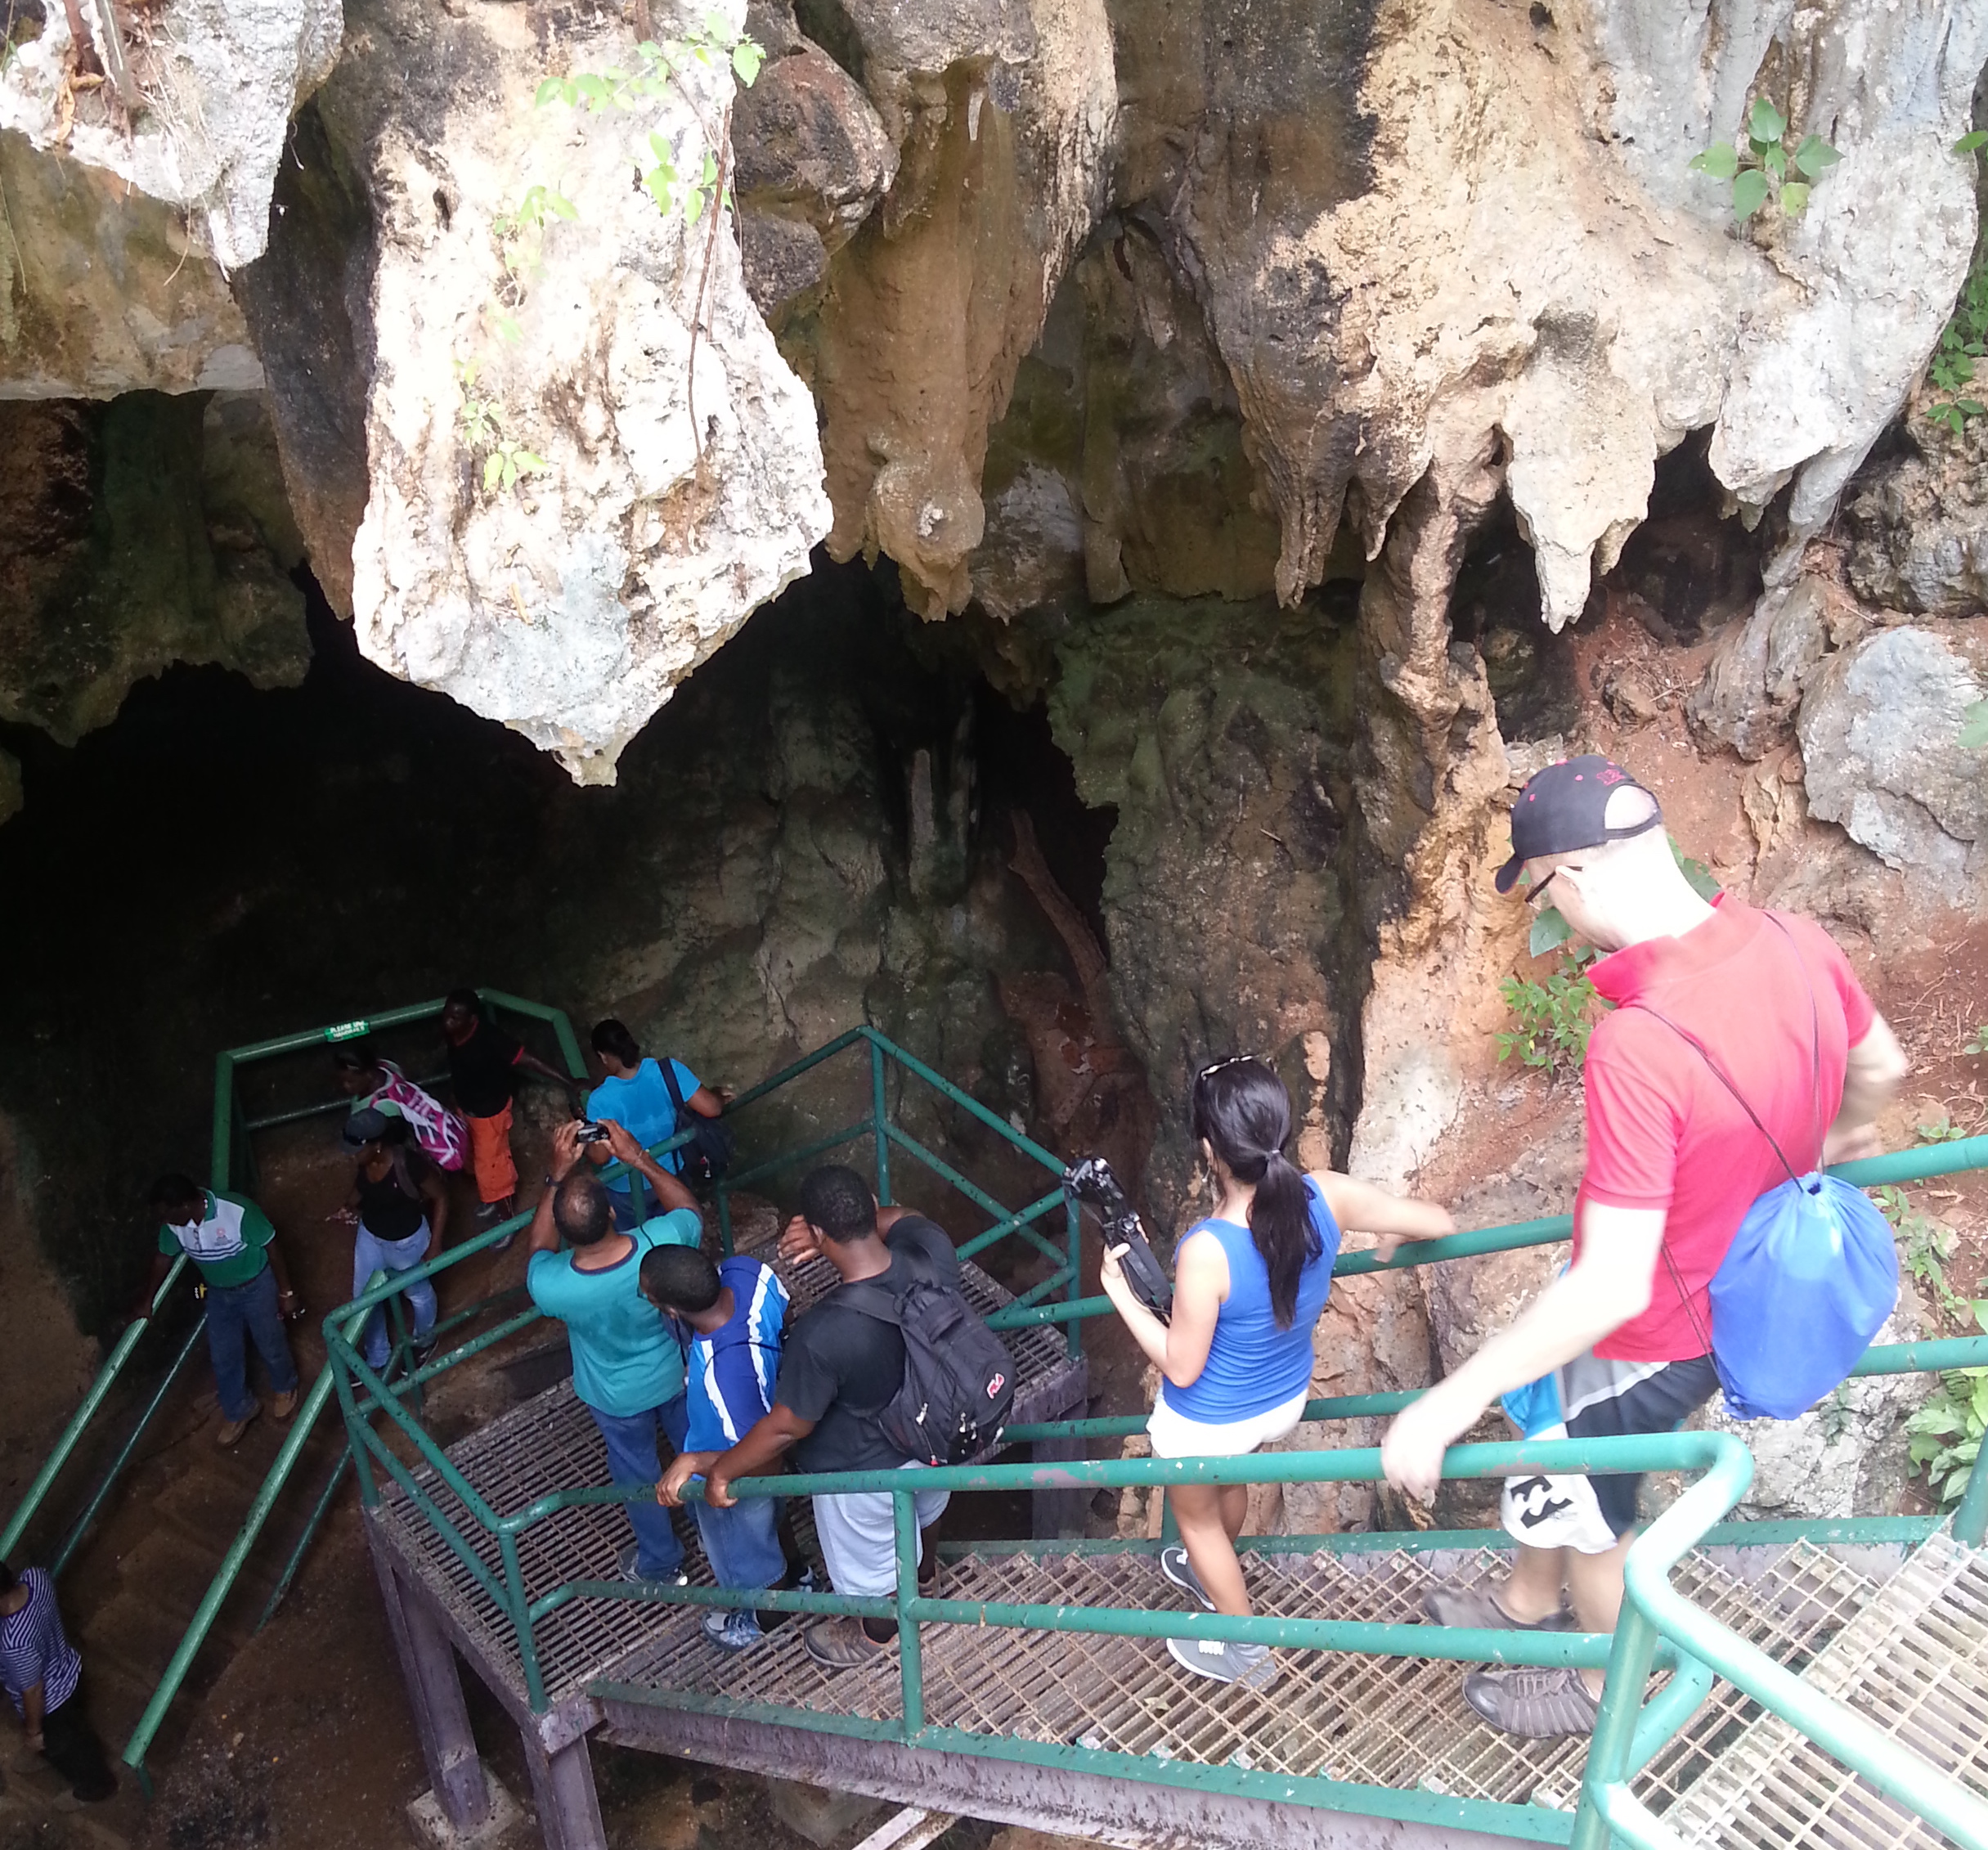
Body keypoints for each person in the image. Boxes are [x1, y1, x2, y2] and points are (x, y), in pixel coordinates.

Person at [1381, 756, 1909, 1739]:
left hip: (1665, 1324)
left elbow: (1612, 1284)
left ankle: (1609, 1694)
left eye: (1540, 891)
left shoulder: (1638, 1045)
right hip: (1731, 1284)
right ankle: (1521, 1610)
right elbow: (1880, 1064)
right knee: (1551, 1425)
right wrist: (1830, 1141)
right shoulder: (1793, 941)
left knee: (1589, 1499)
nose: (1555, 914)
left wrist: (1449, 1400)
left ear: (1570, 877)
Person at [1100, 1057, 1456, 1688]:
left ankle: (1247, 1652)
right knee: (1228, 1478)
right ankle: (1214, 1566)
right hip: (1281, 1401)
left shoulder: (1208, 1248)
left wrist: (1119, 1294)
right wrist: (1392, 1239)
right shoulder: (1327, 1194)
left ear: (1209, 1150)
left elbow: (1182, 1366)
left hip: (1209, 1422)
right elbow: (1436, 1222)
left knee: (1197, 1518)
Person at [694, 1165, 955, 1673]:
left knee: (873, 1562)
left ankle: (879, 1635)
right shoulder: (931, 1251)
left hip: (870, 1465)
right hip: (938, 1427)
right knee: (925, 1508)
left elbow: (791, 1425)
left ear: (816, 1234)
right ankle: (926, 1579)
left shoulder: (822, 1333)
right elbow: (908, 1218)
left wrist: (723, 1470)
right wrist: (849, 1226)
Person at [523, 1119, 704, 1584]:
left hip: (613, 1395)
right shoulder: (656, 1244)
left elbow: (538, 1248)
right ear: (611, 1214)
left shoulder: (554, 1285)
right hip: (675, 1374)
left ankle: (661, 1563)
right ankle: (713, 1527)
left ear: (568, 1235)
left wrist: (555, 1177)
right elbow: (689, 1211)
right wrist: (637, 1157)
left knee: (636, 1475)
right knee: (697, 1450)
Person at [649, 1243, 793, 1650]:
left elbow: (765, 1461)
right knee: (776, 1522)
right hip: (767, 1411)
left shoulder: (723, 1381)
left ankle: (763, 1620)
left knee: (748, 1557)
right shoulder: (749, 1271)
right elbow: (787, 1312)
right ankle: (799, 1577)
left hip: (735, 1475)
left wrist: (695, 1461)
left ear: (672, 1312)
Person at [134, 1175, 302, 1447]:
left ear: (185, 1206)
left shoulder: (236, 1210)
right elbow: (163, 1257)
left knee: (270, 1341)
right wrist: (147, 1299)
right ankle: (239, 1409)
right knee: (223, 1355)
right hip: (219, 1293)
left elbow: (271, 1245)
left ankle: (285, 1387)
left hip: (256, 1286)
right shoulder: (174, 1225)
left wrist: (287, 1292)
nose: (163, 1221)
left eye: (166, 1214)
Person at [441, 990, 581, 1224]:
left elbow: (528, 1059)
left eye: (455, 1017)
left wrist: (569, 1081)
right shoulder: (453, 1033)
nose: (447, 1021)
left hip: (489, 1114)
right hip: (467, 1108)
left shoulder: (489, 1039)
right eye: (447, 1014)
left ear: (472, 1019)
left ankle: (507, 1222)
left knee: (494, 1174)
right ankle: (491, 1201)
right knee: (473, 1158)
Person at [336, 1108, 449, 1373]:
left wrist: (435, 1246)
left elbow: (442, 1197)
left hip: (406, 1242)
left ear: (377, 1145)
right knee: (364, 1299)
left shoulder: (409, 1165)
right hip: (370, 1238)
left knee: (418, 1295)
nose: (351, 1154)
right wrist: (348, 1206)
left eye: (356, 1148)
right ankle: (378, 1356)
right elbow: (362, 1187)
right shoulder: (364, 1164)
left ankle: (424, 1341)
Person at [585, 1020, 725, 1228]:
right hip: (672, 1174)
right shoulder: (668, 1071)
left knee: (636, 1242)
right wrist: (718, 1094)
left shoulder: (600, 1100)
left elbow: (600, 1156)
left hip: (627, 1189)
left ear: (603, 1056)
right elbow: (712, 1108)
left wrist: (585, 1137)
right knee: (676, 1231)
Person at [0, 1560, 115, 1808]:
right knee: (72, 1732)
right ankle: (45, 1752)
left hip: (53, 1706)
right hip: (69, 1669)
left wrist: (34, 1732)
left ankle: (96, 1787)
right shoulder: (35, 1578)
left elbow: (34, 1691)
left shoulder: (15, 1645)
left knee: (70, 1747)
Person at [333, 1042, 467, 1173]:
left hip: (435, 1148)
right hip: (450, 1127)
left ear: (369, 1075)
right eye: (342, 1081)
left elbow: (396, 1142)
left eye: (350, 1081)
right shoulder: (387, 1067)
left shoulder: (382, 1108)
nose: (346, 1086)